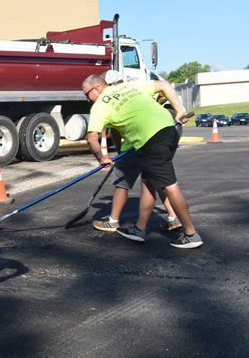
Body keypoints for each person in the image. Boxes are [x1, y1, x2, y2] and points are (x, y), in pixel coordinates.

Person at [82, 74, 202, 248]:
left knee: (169, 185)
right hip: (168, 129)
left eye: (87, 94)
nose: (87, 99)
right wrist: (179, 110)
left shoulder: (100, 105)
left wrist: (102, 158)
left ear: (97, 88)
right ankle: (140, 229)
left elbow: (91, 138)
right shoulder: (128, 87)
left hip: (151, 138)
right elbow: (164, 85)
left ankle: (191, 234)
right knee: (148, 182)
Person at [91, 70, 182, 233]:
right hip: (162, 133)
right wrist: (178, 109)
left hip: (137, 143)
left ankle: (113, 221)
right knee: (159, 179)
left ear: (107, 85)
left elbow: (115, 132)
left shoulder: (107, 100)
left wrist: (118, 155)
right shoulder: (133, 88)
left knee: (122, 182)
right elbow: (162, 90)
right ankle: (173, 217)